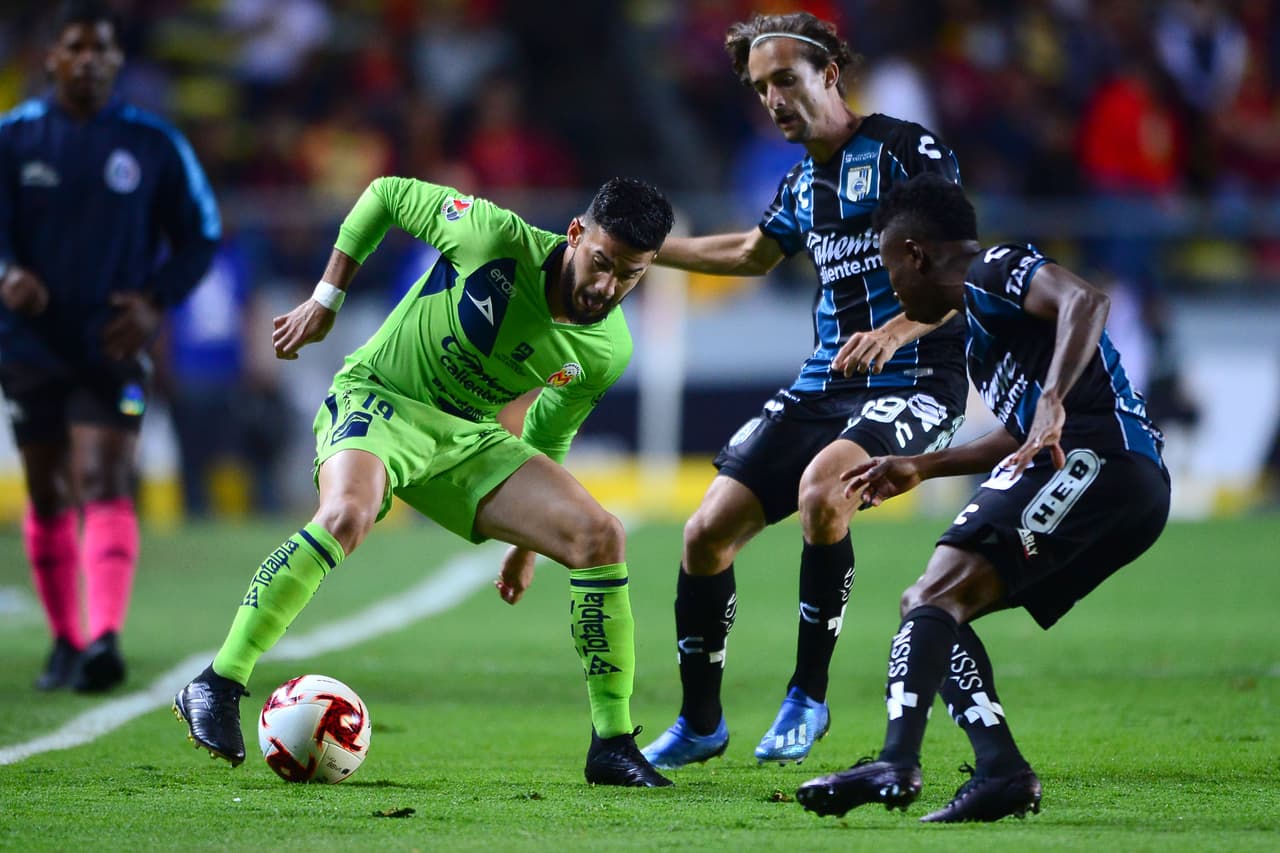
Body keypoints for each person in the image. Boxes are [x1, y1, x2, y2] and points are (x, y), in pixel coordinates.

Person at [173, 175, 676, 788]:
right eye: (601, 262)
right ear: (576, 233)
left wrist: (525, 547)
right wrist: (326, 299)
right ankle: (218, 683)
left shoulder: (607, 348)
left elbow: (549, 431)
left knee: (600, 536)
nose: (607, 286)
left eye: (630, 274)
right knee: (346, 516)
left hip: (465, 438)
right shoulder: (492, 238)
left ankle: (613, 744)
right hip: (381, 401)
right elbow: (383, 195)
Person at [641, 11, 968, 769]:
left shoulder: (903, 151)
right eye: (760, 89)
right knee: (704, 534)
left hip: (919, 375)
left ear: (829, 73)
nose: (773, 100)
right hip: (825, 384)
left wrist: (897, 328)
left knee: (826, 489)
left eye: (785, 80)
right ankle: (700, 721)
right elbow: (752, 252)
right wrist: (645, 250)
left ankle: (808, 696)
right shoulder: (801, 183)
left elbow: (961, 268)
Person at [796, 173, 1170, 823]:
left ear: (914, 252)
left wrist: (1054, 400)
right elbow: (1016, 431)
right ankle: (994, 768)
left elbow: (1085, 300)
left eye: (890, 267)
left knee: (934, 599)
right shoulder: (980, 331)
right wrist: (922, 464)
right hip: (1084, 466)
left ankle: (904, 761)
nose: (893, 287)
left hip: (1098, 456)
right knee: (934, 605)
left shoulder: (994, 267)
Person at [0, 0, 220, 692]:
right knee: (46, 489)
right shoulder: (13, 138)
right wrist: (7, 274)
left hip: (113, 338)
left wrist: (155, 301)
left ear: (118, 60)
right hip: (30, 339)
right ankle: (66, 639)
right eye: (77, 48)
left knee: (102, 476)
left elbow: (201, 233)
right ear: (53, 57)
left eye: (103, 49)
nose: (90, 60)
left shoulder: (153, 144)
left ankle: (105, 638)